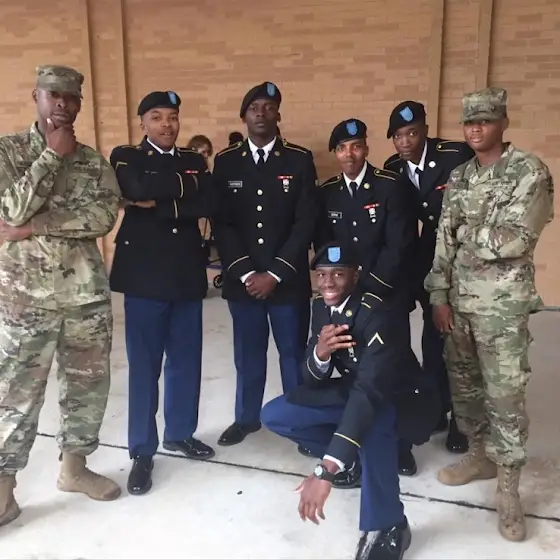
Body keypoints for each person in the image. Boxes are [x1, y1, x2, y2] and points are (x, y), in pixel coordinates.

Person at [425, 87, 554, 542]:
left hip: (502, 309)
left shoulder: (528, 171)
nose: (476, 128)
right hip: (459, 305)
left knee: (505, 397)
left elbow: (516, 238)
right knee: (466, 390)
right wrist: (439, 294)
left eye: (485, 120)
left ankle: (509, 491)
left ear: (503, 122)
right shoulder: (460, 176)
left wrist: (468, 234)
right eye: (469, 122)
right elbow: (443, 239)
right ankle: (480, 456)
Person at [261, 242, 439, 560]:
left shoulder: (378, 314)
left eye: (338, 274)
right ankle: (352, 462)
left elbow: (370, 392)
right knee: (277, 414)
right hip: (357, 389)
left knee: (372, 425)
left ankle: (389, 525)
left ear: (355, 277)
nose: (328, 283)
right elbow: (311, 380)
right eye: (321, 275)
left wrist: (326, 469)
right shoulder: (321, 307)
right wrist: (320, 353)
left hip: (400, 398)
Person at [0, 65, 122, 526]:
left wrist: (35, 227)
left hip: (84, 296)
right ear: (36, 96)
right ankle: (3, 491)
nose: (63, 104)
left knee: (87, 386)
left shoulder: (92, 161)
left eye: (71, 98)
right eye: (54, 95)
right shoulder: (8, 152)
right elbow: (9, 209)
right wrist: (51, 156)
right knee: (15, 394)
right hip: (24, 300)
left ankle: (74, 470)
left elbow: (102, 217)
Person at [109, 91, 215, 496]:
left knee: (186, 362)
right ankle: (142, 450)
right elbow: (134, 185)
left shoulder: (193, 159)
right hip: (144, 279)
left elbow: (208, 201)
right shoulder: (126, 156)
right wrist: (183, 189)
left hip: (185, 274)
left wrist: (158, 201)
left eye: (172, 117)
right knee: (145, 367)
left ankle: (180, 433)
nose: (166, 124)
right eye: (157, 117)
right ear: (143, 123)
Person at [212, 82, 319, 447]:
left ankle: (299, 423)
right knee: (248, 355)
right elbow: (222, 223)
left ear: (278, 115)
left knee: (293, 355)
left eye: (269, 107)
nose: (261, 113)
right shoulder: (227, 161)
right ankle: (246, 419)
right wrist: (246, 272)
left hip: (286, 281)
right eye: (254, 107)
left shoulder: (299, 159)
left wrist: (275, 273)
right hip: (243, 283)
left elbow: (305, 221)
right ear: (244, 116)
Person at [314, 118, 422, 480]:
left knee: (394, 370)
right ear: (336, 153)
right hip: (346, 299)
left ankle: (402, 444)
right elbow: (325, 247)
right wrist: (341, 291)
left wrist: (370, 289)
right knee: (355, 369)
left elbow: (400, 243)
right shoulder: (328, 192)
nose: (350, 154)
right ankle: (355, 443)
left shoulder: (389, 185)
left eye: (356, 146)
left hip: (386, 295)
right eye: (342, 148)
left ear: (366, 148)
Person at [383, 101, 472, 465]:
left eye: (412, 133)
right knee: (432, 342)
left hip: (461, 263)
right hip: (424, 264)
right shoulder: (393, 168)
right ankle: (437, 409)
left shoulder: (454, 156)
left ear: (425, 131)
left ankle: (462, 422)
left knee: (459, 345)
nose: (405, 141)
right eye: (398, 136)